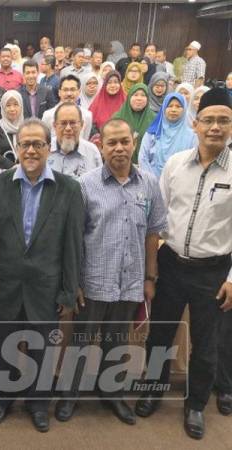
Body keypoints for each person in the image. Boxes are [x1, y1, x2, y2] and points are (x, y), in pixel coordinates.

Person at [55, 118, 166, 425]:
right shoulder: (86, 185)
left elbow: (153, 233)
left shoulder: (149, 183)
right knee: (81, 341)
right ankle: (69, 395)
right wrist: (75, 282)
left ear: (134, 143)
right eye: (111, 143)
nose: (118, 148)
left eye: (124, 142)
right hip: (93, 281)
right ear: (100, 146)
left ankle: (112, 394)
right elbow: (74, 238)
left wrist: (150, 278)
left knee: (116, 342)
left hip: (130, 282)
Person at [135, 88, 232, 440]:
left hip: (214, 272)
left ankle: (194, 405)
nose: (216, 127)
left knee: (206, 345)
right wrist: (152, 268)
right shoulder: (175, 165)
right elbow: (156, 219)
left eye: (224, 120)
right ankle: (154, 390)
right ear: (196, 124)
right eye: (209, 120)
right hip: (172, 265)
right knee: (160, 334)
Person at [0, 117, 84, 431]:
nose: (31, 150)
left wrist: (69, 291)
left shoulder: (68, 189)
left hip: (47, 287)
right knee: (6, 347)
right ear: (16, 148)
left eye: (38, 144)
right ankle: (2, 398)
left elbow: (72, 244)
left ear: (49, 148)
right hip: (6, 285)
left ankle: (38, 403)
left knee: (43, 349)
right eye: (25, 144)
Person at [139, 92, 198, 178]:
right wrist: (151, 180)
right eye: (170, 106)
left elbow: (194, 161)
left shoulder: (192, 136)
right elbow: (143, 158)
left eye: (178, 106)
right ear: (163, 109)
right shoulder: (153, 132)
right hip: (153, 181)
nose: (173, 110)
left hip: (180, 182)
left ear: (185, 109)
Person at [48, 102, 102, 179]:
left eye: (73, 123)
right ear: (54, 125)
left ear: (82, 124)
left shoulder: (92, 152)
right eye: (63, 123)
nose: (68, 128)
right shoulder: (45, 150)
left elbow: (99, 184)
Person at [112, 83, 156, 163]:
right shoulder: (117, 117)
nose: (139, 98)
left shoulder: (154, 119)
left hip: (146, 166)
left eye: (143, 95)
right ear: (129, 97)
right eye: (135, 95)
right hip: (119, 163)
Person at [42, 75, 93, 141]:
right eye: (65, 90)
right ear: (59, 92)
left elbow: (85, 139)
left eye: (72, 89)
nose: (69, 94)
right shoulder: (48, 115)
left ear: (79, 92)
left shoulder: (87, 115)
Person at [0, 90, 24, 162]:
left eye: (16, 104)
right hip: (3, 171)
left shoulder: (26, 127)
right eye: (8, 105)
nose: (12, 109)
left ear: (21, 106)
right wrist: (11, 166)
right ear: (3, 107)